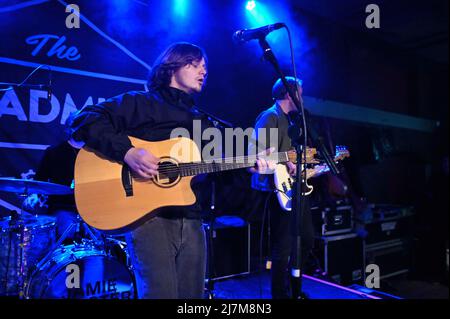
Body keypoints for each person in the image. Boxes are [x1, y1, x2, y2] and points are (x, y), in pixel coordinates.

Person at [70, 42, 270, 299]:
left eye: (205, 67)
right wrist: (129, 152)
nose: (203, 71)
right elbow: (83, 119)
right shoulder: (140, 103)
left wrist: (249, 166)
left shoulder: (203, 120)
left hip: (192, 218)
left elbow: (215, 168)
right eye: (194, 64)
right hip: (148, 219)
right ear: (171, 66)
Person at [248, 77, 316, 299]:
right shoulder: (270, 116)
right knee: (283, 246)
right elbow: (258, 152)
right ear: (289, 94)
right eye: (300, 93)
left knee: (306, 239)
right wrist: (285, 161)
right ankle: (280, 295)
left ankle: (293, 286)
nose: (302, 98)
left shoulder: (290, 120)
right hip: (278, 190)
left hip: (294, 188)